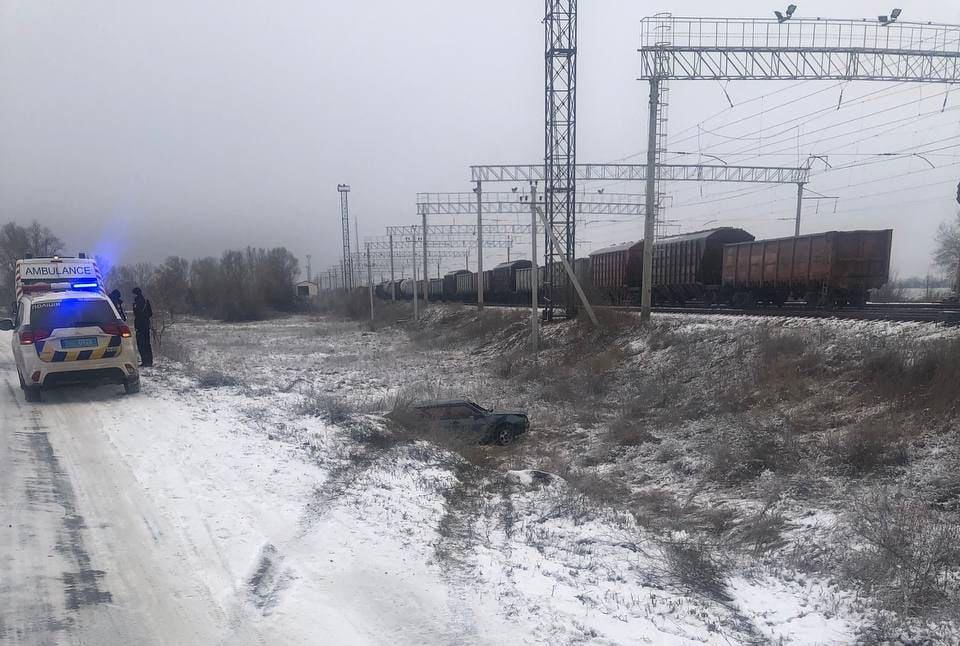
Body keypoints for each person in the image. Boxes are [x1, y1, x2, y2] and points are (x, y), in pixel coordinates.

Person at [132, 287, 153, 367]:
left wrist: (134, 308)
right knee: (147, 344)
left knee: (141, 344)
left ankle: (145, 361)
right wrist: (146, 317)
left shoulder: (137, 302)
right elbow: (150, 313)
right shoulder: (146, 301)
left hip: (140, 326)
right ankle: (150, 361)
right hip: (146, 325)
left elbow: (137, 314)